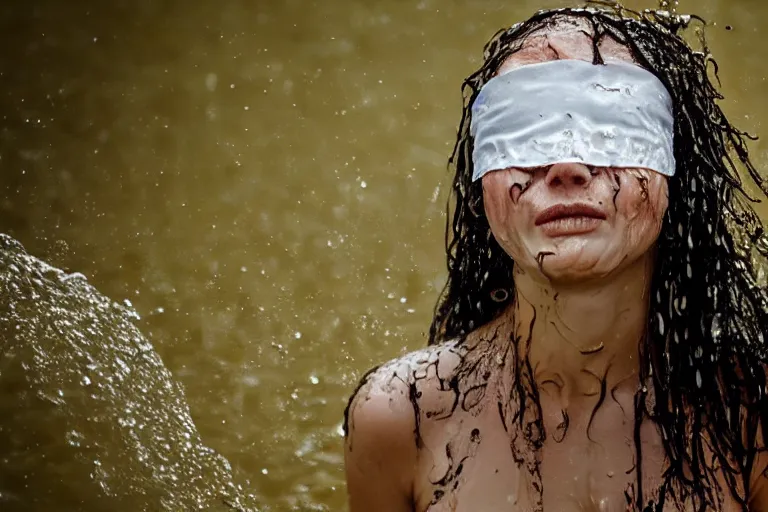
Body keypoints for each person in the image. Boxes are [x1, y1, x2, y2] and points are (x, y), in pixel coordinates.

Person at [343, 4, 768, 512]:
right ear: (482, 180)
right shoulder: (399, 419)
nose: (567, 165)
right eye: (526, 127)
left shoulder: (751, 413)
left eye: (612, 122)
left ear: (675, 168)